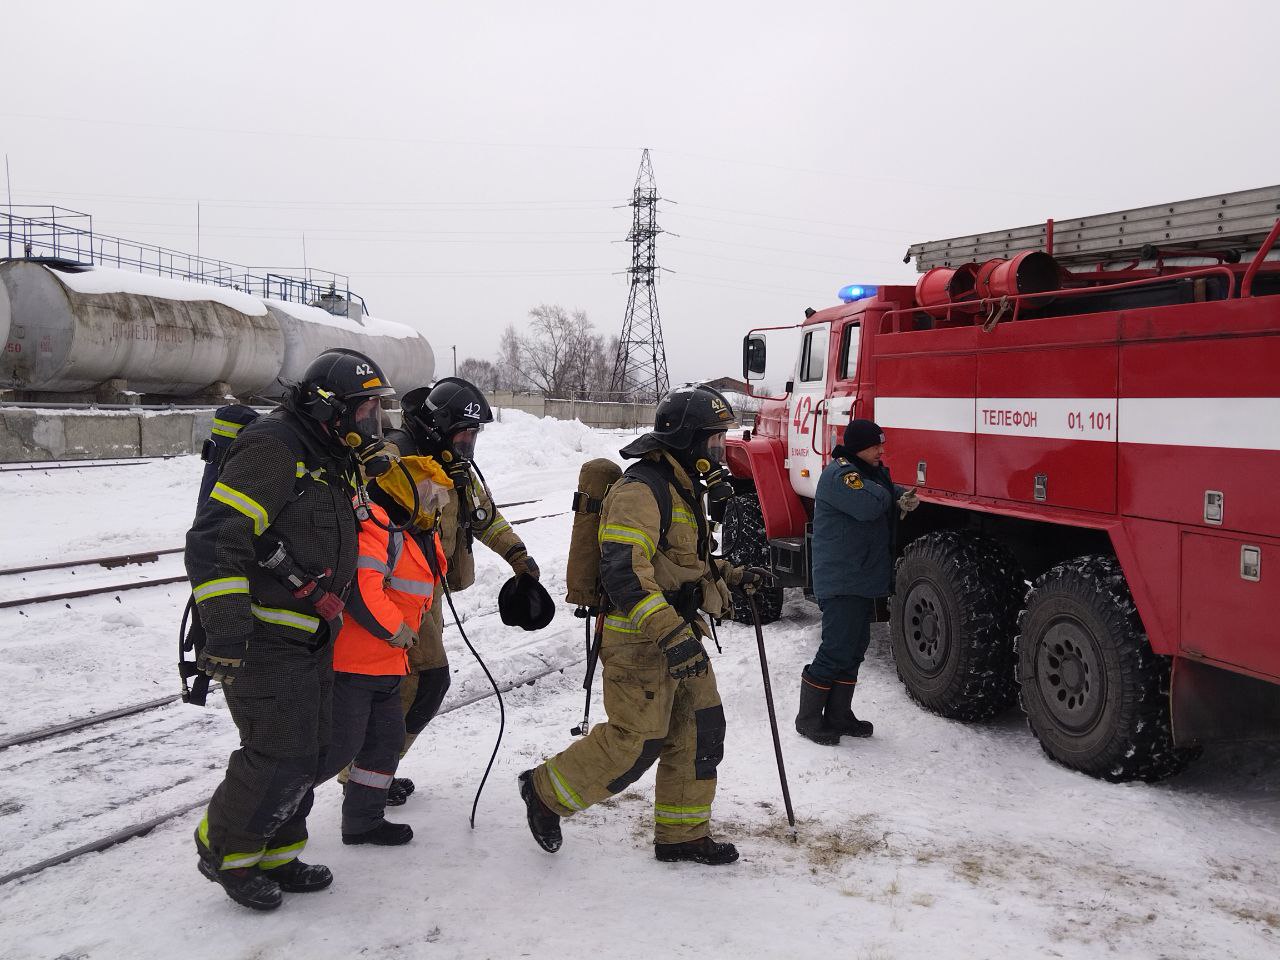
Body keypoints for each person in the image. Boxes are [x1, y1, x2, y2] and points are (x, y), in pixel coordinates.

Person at [517, 384, 768, 865]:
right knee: (636, 742)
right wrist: (673, 637)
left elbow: (682, 563)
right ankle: (544, 791)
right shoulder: (640, 489)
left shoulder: (680, 487)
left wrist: (733, 575)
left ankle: (681, 835)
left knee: (699, 728)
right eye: (713, 442)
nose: (718, 452)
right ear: (687, 441)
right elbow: (624, 574)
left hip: (676, 632)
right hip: (639, 641)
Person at [186, 348, 395, 911]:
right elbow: (218, 537)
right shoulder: (275, 448)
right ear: (331, 407)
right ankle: (224, 851)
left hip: (310, 632)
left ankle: (278, 852)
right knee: (278, 751)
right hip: (260, 634)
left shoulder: (329, 454)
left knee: (319, 748)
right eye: (366, 408)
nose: (371, 421)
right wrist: (226, 631)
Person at [369, 378, 540, 806]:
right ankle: (366, 772)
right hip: (393, 597)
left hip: (427, 595)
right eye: (464, 432)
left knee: (410, 686)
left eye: (474, 434)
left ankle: (372, 771)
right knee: (423, 682)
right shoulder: (399, 459)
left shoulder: (454, 468)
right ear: (439, 426)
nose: (469, 442)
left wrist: (519, 558)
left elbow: (485, 518)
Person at [316, 456, 451, 846]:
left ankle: (363, 821)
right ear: (403, 493)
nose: (436, 504)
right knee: (336, 748)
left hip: (388, 665)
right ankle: (269, 814)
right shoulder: (376, 525)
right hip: (354, 662)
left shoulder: (417, 532)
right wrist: (398, 629)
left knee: (385, 742)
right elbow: (363, 587)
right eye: (430, 494)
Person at [797, 419, 918, 746]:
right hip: (842, 579)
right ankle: (808, 720)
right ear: (857, 447)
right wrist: (887, 494)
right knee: (836, 648)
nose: (882, 450)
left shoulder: (863, 472)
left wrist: (896, 494)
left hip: (859, 577)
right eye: (875, 445)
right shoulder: (840, 475)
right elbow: (867, 504)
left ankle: (838, 716)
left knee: (854, 649)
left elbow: (877, 490)